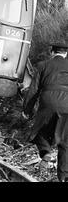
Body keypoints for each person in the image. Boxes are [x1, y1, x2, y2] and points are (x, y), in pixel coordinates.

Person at [24, 42, 68, 182]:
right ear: (66, 54)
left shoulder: (43, 65)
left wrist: (27, 110)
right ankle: (63, 177)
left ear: (52, 52)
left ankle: (46, 151)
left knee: (39, 130)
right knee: (64, 142)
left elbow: (34, 90)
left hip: (48, 101)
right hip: (67, 103)